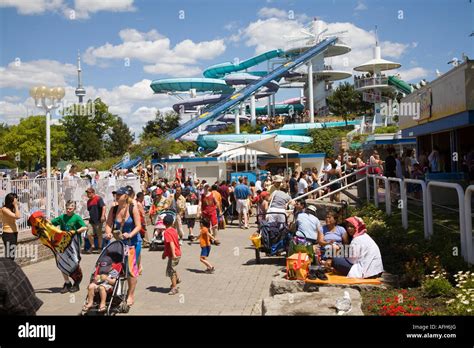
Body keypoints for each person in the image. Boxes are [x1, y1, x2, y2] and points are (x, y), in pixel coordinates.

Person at [104, 187, 142, 307]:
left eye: (119, 194)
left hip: (133, 243)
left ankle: (130, 294)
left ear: (126, 196)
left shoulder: (132, 207)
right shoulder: (114, 209)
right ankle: (116, 291)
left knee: (131, 270)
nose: (117, 196)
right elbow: (109, 224)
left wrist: (130, 234)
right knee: (116, 267)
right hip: (119, 243)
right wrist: (108, 233)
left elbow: (138, 226)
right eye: (116, 194)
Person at [51, 200, 88, 293]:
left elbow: (84, 227)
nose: (68, 210)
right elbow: (51, 224)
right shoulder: (62, 217)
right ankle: (67, 283)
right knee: (62, 263)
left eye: (70, 208)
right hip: (63, 244)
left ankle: (76, 283)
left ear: (74, 208)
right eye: (67, 208)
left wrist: (75, 232)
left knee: (75, 263)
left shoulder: (77, 218)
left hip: (74, 245)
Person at [162, 214, 182, 295]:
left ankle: (174, 288)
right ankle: (177, 280)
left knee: (171, 271)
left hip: (174, 254)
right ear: (172, 222)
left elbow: (171, 243)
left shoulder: (167, 232)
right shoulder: (174, 230)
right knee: (173, 267)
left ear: (164, 223)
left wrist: (173, 254)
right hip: (177, 253)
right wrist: (165, 253)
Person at [85, 187, 106, 253]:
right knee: (89, 233)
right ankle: (93, 246)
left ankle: (100, 248)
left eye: (89, 193)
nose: (88, 194)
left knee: (99, 234)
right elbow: (90, 210)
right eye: (87, 193)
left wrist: (102, 216)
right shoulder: (88, 201)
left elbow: (104, 207)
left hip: (99, 220)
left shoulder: (98, 199)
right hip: (92, 221)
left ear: (93, 193)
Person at [1, 193, 20, 260]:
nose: (17, 201)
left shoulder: (11, 209)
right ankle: (7, 269)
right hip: (8, 234)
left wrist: (15, 206)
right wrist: (16, 206)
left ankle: (10, 269)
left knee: (12, 254)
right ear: (11, 201)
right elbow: (17, 216)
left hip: (14, 233)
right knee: (9, 255)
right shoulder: (4, 209)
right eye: (16, 200)